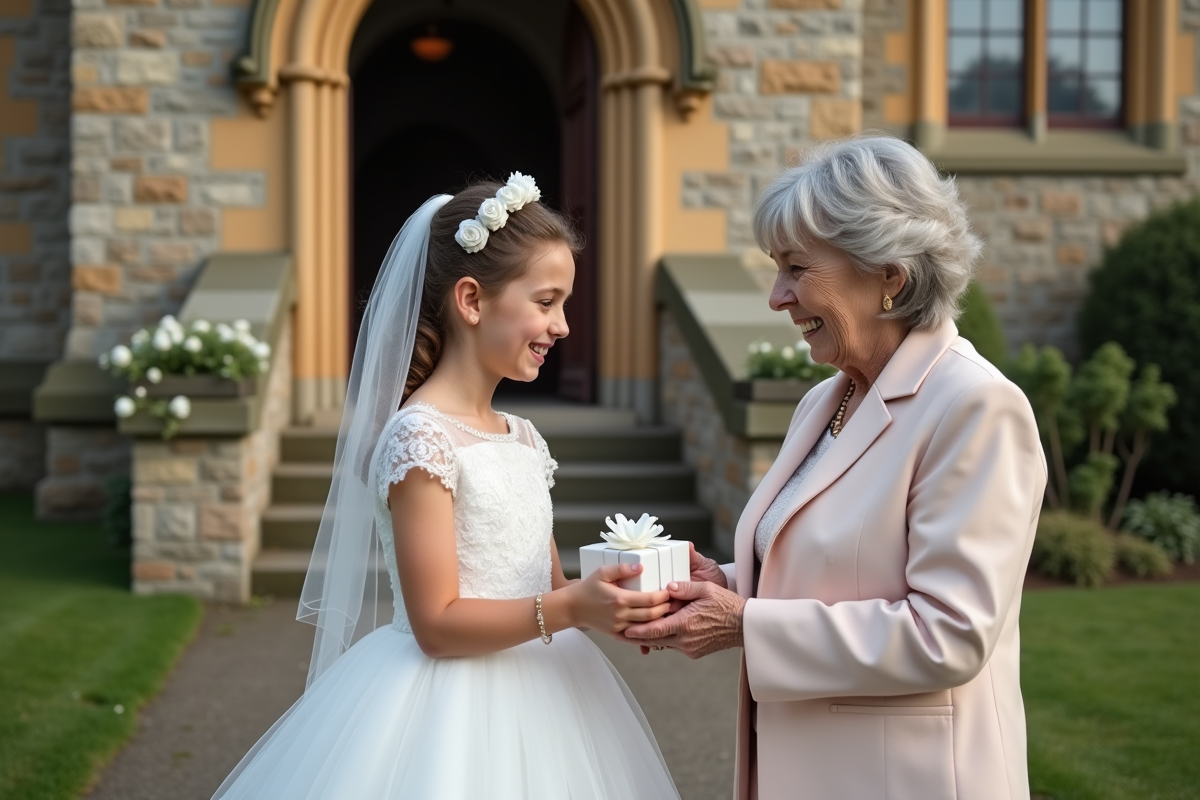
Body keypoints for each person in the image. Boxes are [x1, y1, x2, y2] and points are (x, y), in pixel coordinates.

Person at [212, 176, 681, 799]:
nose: (563, 326)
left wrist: (615, 606)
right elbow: (437, 622)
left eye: (564, 304)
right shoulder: (420, 440)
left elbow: (549, 589)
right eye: (546, 302)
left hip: (550, 689)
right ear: (471, 300)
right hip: (445, 707)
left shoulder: (524, 437)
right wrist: (570, 609)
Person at [625, 135, 1047, 800]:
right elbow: (834, 568)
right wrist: (722, 580)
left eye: (796, 269)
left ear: (889, 275)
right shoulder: (827, 399)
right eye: (777, 269)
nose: (776, 297)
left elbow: (950, 634)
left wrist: (745, 623)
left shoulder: (975, 407)